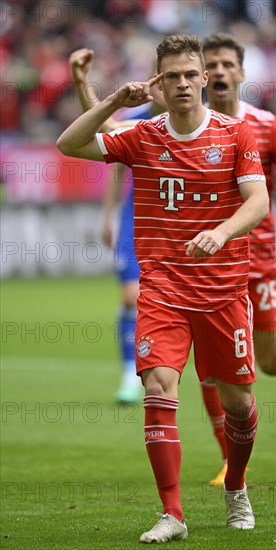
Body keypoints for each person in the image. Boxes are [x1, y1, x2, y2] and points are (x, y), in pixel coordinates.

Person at [57, 34, 269, 542]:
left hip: (221, 292)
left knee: (238, 404)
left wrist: (220, 232)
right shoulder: (142, 134)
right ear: (159, 81)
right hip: (163, 289)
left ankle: (235, 486)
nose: (181, 83)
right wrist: (113, 99)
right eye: (170, 75)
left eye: (189, 74)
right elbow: (69, 144)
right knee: (158, 388)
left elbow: (259, 202)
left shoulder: (236, 134)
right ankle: (172, 514)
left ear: (204, 78)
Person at [200, 33, 276, 486]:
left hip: (262, 265)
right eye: (213, 64)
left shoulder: (269, 126)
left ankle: (271, 336)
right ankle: (232, 461)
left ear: (243, 73)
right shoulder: (189, 127)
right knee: (213, 370)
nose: (222, 72)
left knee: (269, 365)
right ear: (203, 75)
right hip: (211, 269)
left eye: (229, 64)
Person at [69, 49, 166, 403]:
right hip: (135, 216)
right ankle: (130, 374)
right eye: (161, 76)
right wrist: (108, 215)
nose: (166, 85)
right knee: (131, 296)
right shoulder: (135, 120)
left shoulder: (196, 121)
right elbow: (116, 165)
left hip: (178, 222)